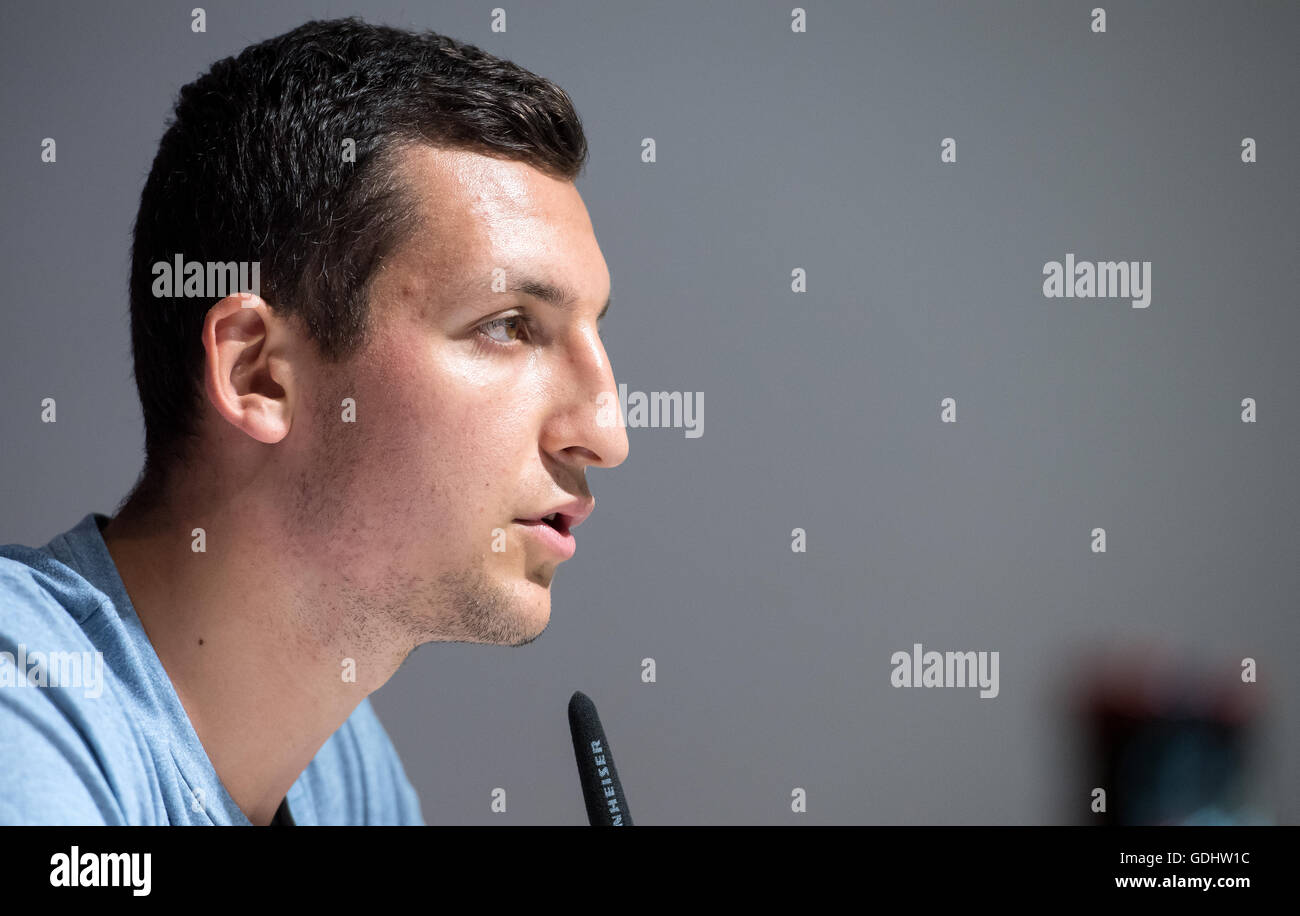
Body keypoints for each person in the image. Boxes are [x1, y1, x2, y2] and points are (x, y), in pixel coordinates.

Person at [0, 17, 629, 825]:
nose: (607, 435)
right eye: (507, 325)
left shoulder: (340, 773)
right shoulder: (28, 704)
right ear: (257, 373)